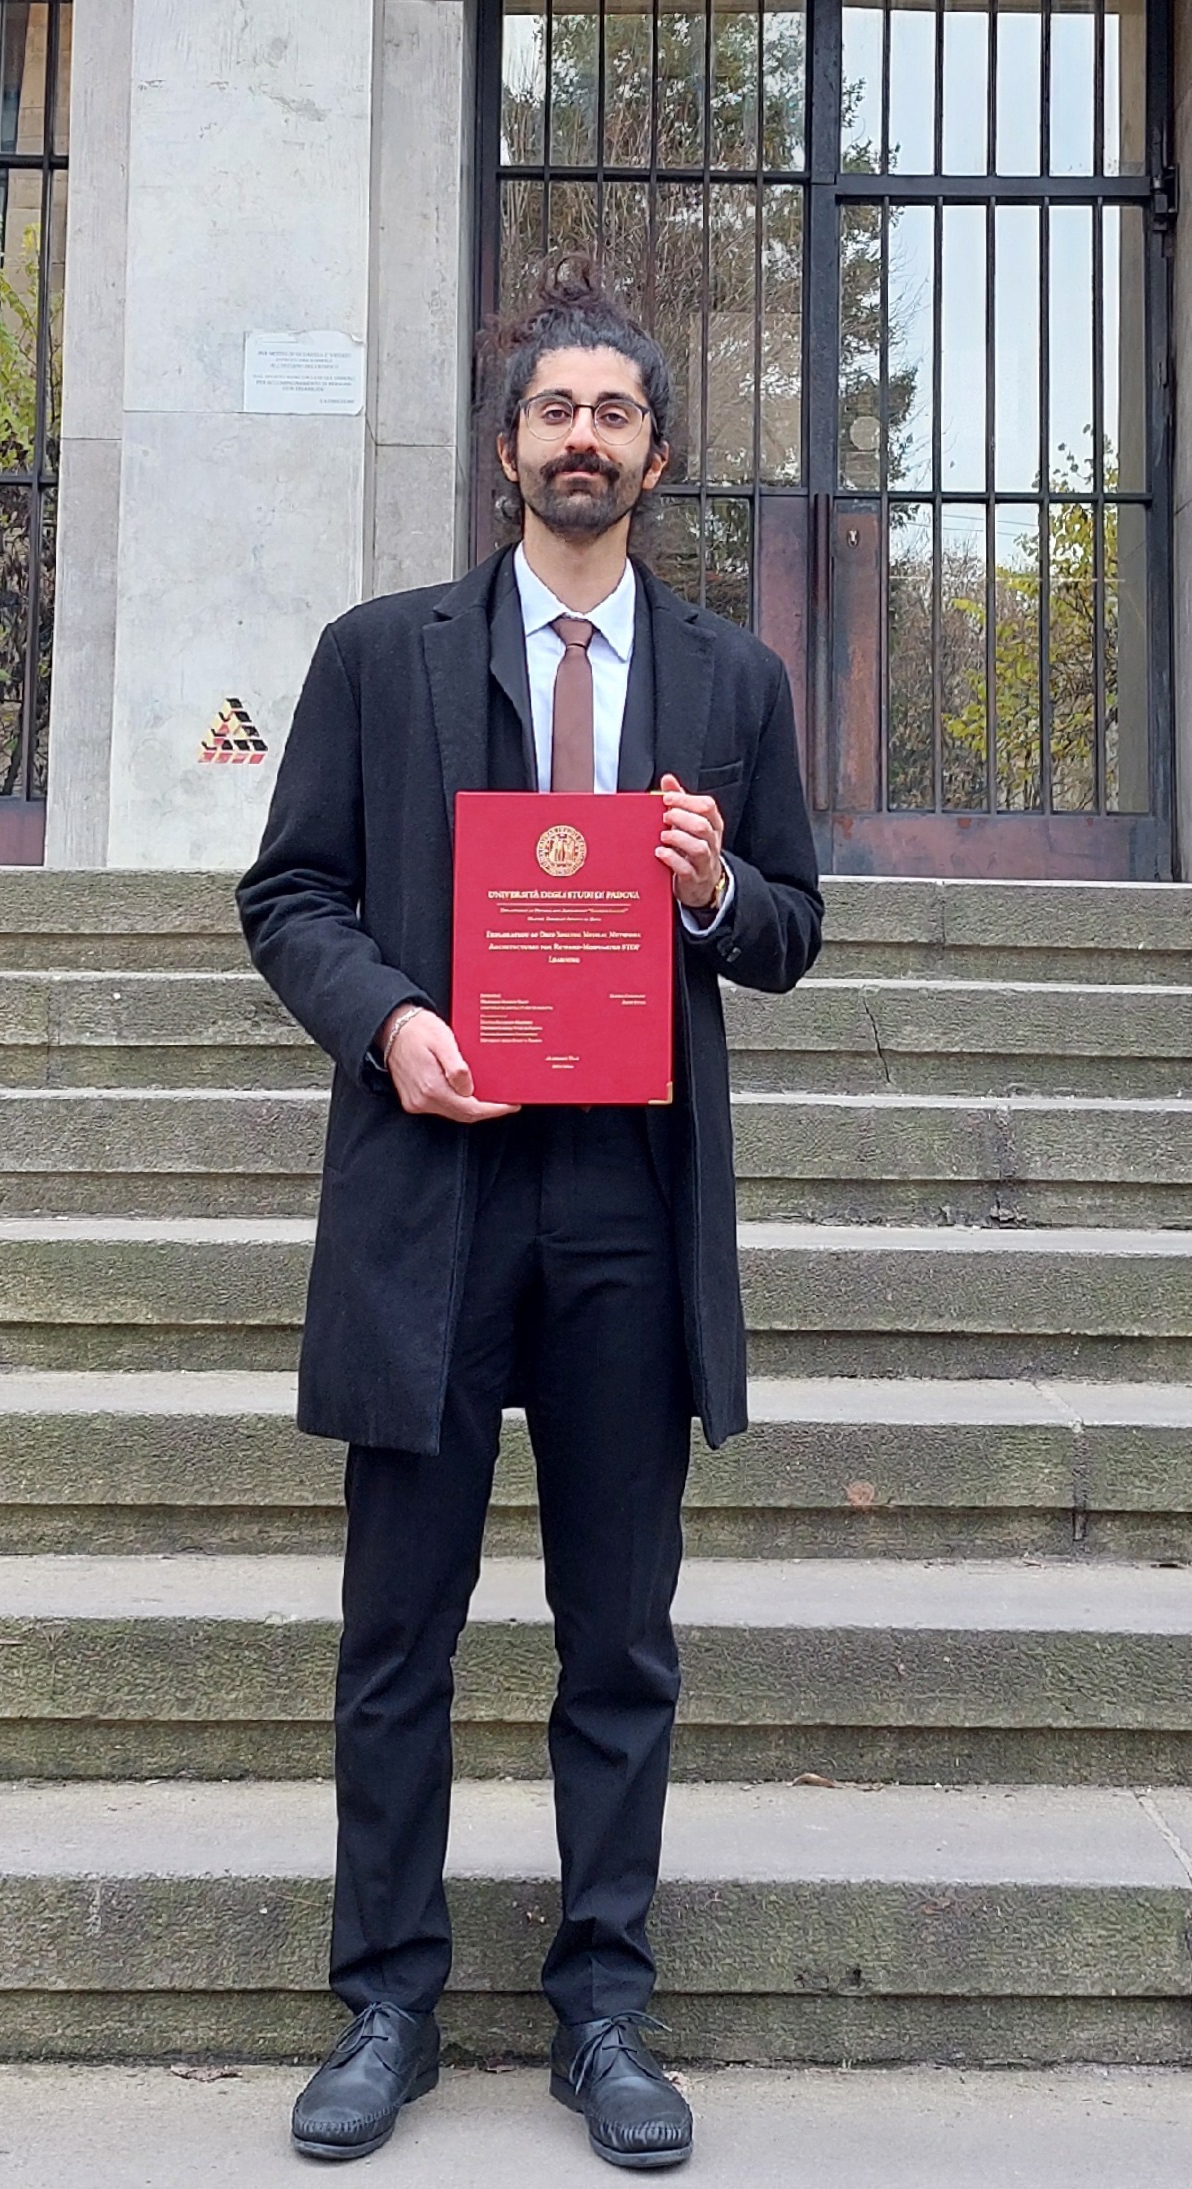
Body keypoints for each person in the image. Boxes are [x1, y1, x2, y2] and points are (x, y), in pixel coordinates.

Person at [237, 256, 824, 2171]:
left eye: (615, 413)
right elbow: (289, 895)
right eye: (555, 410)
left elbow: (791, 930)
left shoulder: (732, 681)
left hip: (624, 1199)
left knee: (619, 1633)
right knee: (397, 1626)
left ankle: (602, 2008)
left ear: (655, 455)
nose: (584, 437)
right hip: (435, 1177)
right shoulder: (375, 653)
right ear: (506, 450)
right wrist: (388, 1021)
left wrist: (711, 890)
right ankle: (386, 1999)